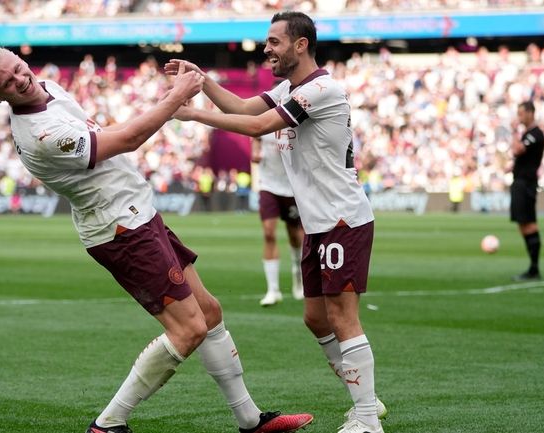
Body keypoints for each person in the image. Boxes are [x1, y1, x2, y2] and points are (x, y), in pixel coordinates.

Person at [0, 47, 313, 433]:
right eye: (8, 83)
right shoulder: (42, 134)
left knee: (210, 313)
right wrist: (174, 97)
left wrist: (170, 101)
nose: (20, 79)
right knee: (189, 330)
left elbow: (110, 132)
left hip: (138, 213)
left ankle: (251, 421)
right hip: (120, 229)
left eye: (18, 69)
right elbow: (127, 140)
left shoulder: (48, 89)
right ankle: (108, 423)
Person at [165, 11, 387, 433]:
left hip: (342, 218)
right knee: (316, 318)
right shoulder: (289, 87)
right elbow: (244, 105)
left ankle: (366, 418)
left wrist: (194, 114)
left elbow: (256, 124)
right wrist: (202, 80)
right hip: (319, 221)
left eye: (274, 41)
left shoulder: (321, 89)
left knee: (342, 317)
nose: (266, 49)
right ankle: (368, 400)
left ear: (300, 45)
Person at [251, 133, 304, 306]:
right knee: (268, 233)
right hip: (268, 185)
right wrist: (256, 151)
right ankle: (273, 290)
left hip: (293, 186)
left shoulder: (294, 116)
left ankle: (298, 277)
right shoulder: (265, 116)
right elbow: (255, 134)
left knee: (296, 235)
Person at [510, 100, 544, 281]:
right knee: (523, 224)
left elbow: (517, 149)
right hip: (520, 182)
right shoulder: (528, 134)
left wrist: (514, 131)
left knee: (529, 223)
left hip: (526, 183)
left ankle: (534, 269)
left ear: (531, 113)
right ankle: (533, 267)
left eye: (521, 113)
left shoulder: (535, 134)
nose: (519, 117)